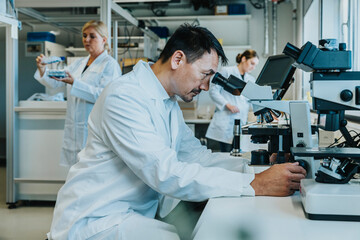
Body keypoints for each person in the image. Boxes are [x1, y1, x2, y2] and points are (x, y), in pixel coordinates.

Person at [47, 24, 306, 240]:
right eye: (205, 74)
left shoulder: (167, 100)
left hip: (133, 213)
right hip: (97, 218)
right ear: (178, 59)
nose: (206, 87)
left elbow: (197, 157)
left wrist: (256, 170)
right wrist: (254, 185)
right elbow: (165, 172)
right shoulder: (124, 96)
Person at [34, 20, 122, 167]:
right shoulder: (79, 63)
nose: (87, 40)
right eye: (84, 35)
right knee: (74, 171)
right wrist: (43, 69)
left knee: (91, 173)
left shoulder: (110, 65)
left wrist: (75, 83)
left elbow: (105, 96)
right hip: (74, 128)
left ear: (104, 39)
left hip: (94, 130)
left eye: (92, 36)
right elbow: (56, 81)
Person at [206, 50, 259, 152]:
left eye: (255, 65)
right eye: (252, 63)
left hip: (241, 121)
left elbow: (252, 100)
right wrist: (227, 104)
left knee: (238, 153)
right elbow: (213, 91)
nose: (253, 67)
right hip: (226, 120)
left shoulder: (251, 79)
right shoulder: (227, 71)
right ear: (243, 59)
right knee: (226, 154)